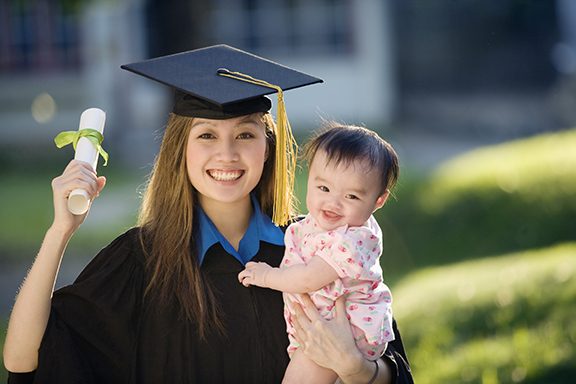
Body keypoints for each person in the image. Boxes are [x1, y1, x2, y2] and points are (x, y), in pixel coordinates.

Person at [3, 45, 413, 384]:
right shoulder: (141, 261)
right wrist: (61, 230)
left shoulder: (315, 246)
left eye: (246, 134)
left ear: (267, 148)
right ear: (180, 150)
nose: (228, 154)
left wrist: (354, 367)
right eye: (207, 135)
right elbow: (26, 360)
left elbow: (393, 370)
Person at [239, 124, 398, 384]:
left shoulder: (351, 241)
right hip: (327, 328)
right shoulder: (323, 225)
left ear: (378, 201)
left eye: (351, 196)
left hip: (343, 332)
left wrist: (267, 276)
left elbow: (307, 279)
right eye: (323, 188)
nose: (333, 203)